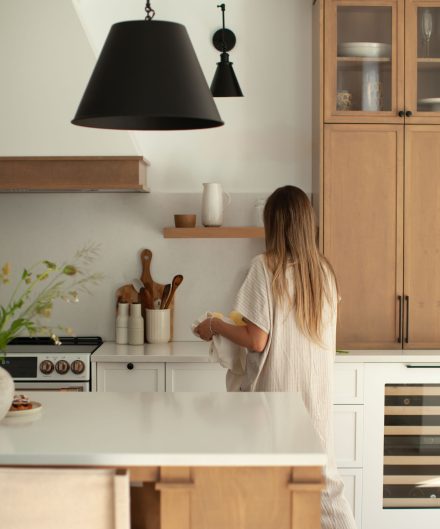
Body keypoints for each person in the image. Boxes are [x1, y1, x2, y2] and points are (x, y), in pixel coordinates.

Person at [195, 185, 357, 529]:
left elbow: (256, 340)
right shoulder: (324, 272)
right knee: (325, 491)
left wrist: (215, 325)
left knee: (267, 490)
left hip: (275, 404)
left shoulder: (264, 267)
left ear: (272, 222)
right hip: (315, 404)